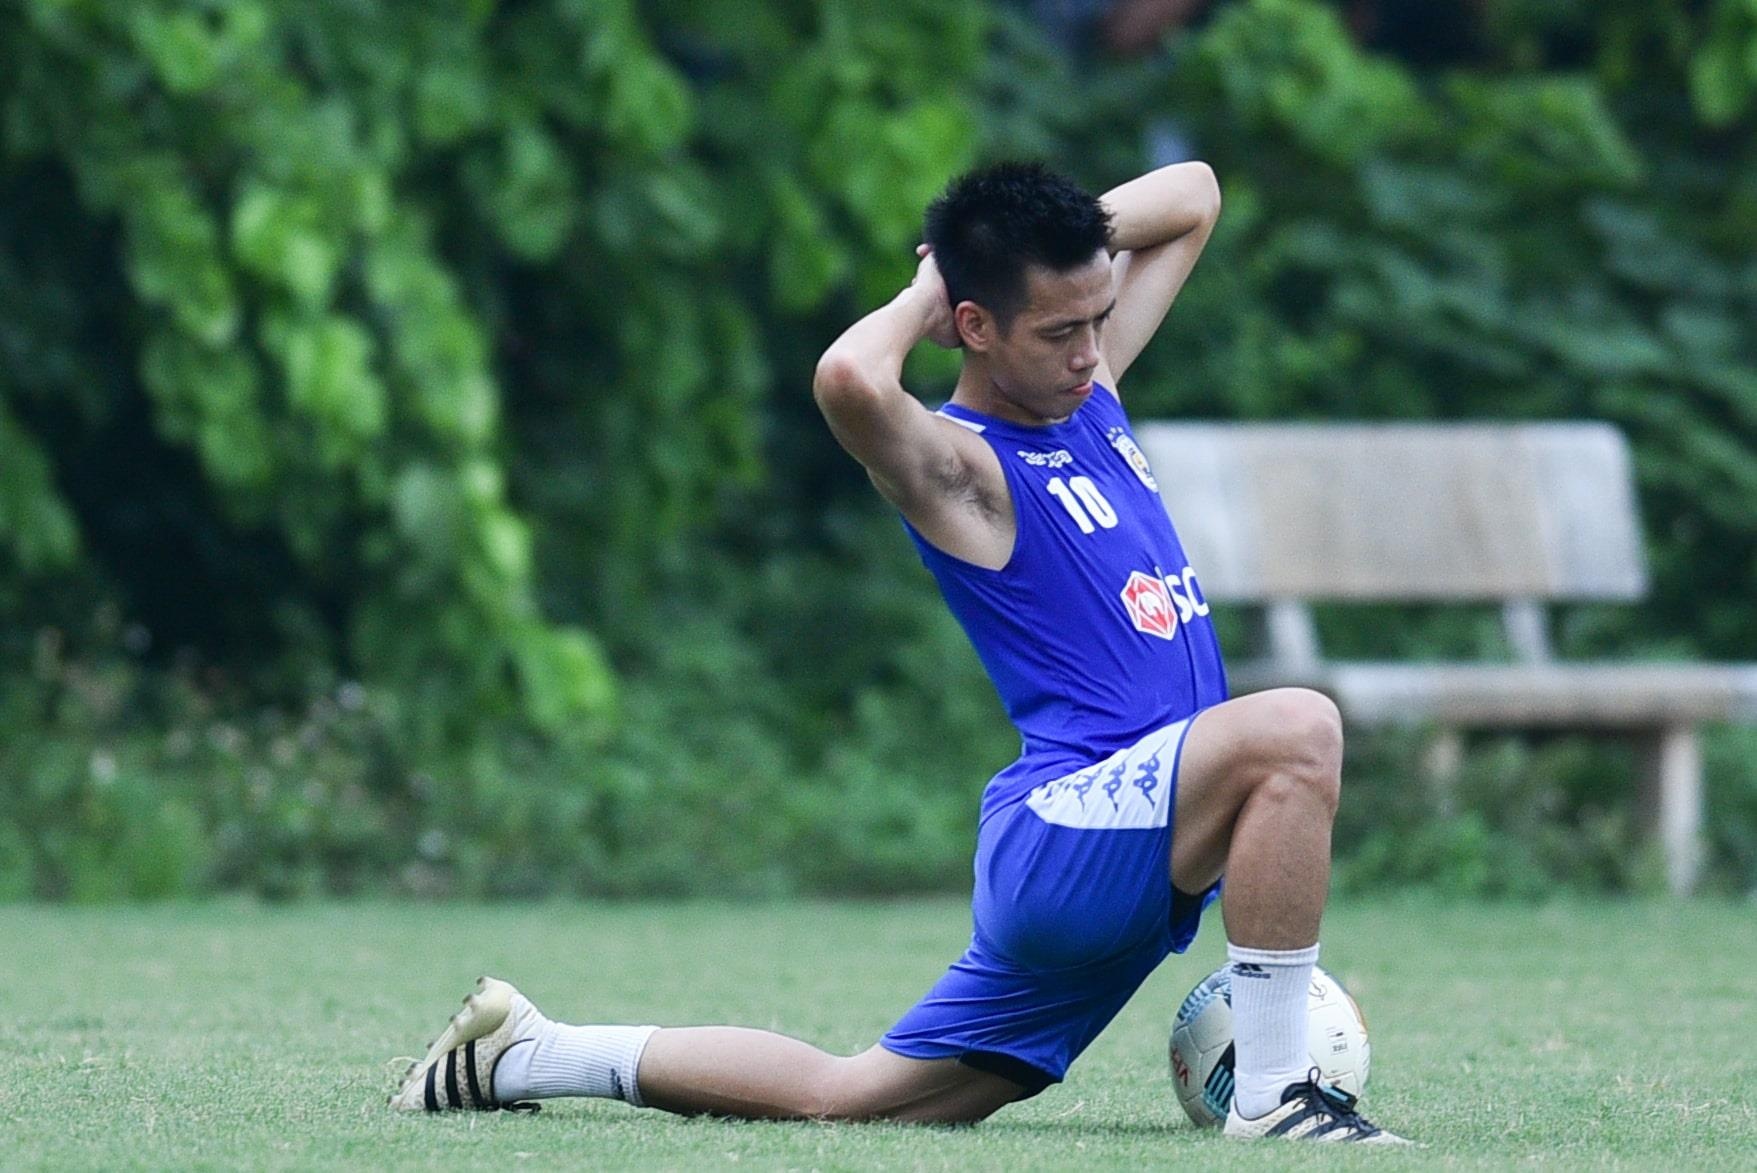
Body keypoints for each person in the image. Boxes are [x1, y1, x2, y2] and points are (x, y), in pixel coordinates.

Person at [390, 160, 1409, 1144]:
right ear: (970, 328)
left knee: (851, 1097)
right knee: (1295, 727)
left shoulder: (1087, 400)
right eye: (1058, 330)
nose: (1089, 352)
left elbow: (1192, 193)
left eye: (1097, 320)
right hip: (1070, 829)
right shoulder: (961, 468)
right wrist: (933, 282)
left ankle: (527, 1053)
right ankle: (1276, 1096)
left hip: (1138, 847)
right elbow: (846, 377)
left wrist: (1024, 250)